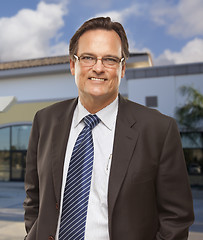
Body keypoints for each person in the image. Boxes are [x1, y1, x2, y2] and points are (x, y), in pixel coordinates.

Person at [23, 17, 194, 240]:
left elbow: (176, 217)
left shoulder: (158, 130)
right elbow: (33, 197)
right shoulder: (45, 120)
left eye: (110, 60)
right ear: (73, 65)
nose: (98, 68)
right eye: (88, 57)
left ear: (122, 69)